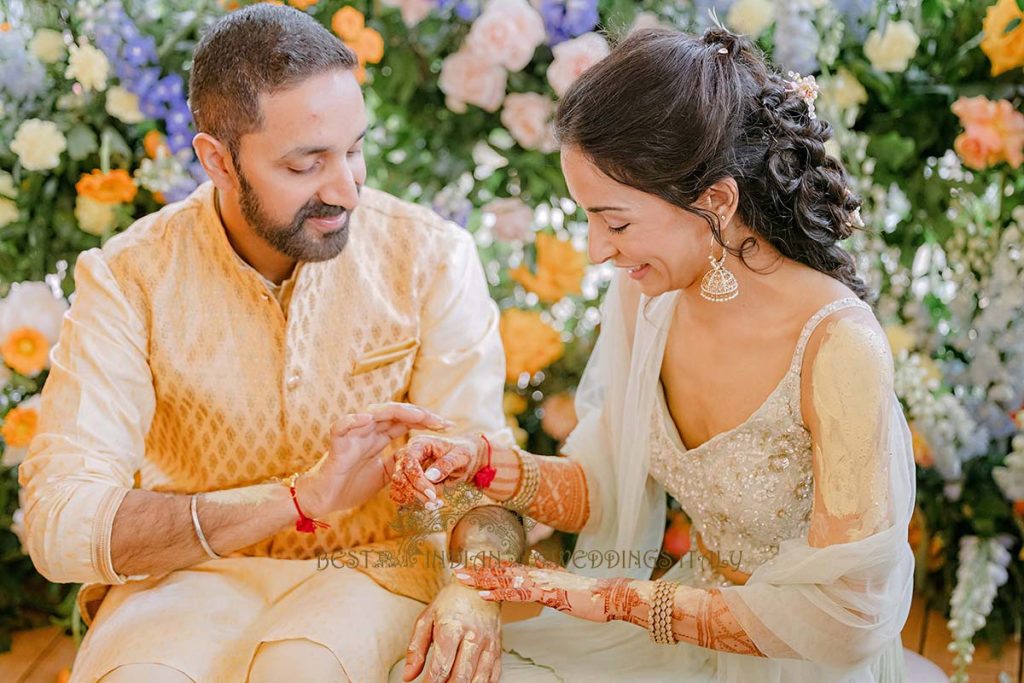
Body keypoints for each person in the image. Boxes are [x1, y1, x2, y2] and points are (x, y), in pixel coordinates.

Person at [388, 26, 915, 682]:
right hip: (681, 633)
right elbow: (604, 487)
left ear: (716, 201)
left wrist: (610, 600)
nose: (596, 250)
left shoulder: (837, 346)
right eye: (588, 218)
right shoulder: (647, 297)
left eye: (616, 222)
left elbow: (847, 616)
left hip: (797, 661)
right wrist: (483, 463)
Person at [18, 5, 514, 681]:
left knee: (298, 669)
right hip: (186, 576)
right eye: (307, 164)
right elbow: (60, 521)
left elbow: (488, 476)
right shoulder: (128, 277)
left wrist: (477, 591)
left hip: (374, 570)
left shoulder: (431, 256)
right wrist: (296, 498)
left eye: (354, 149)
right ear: (217, 161)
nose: (347, 190)